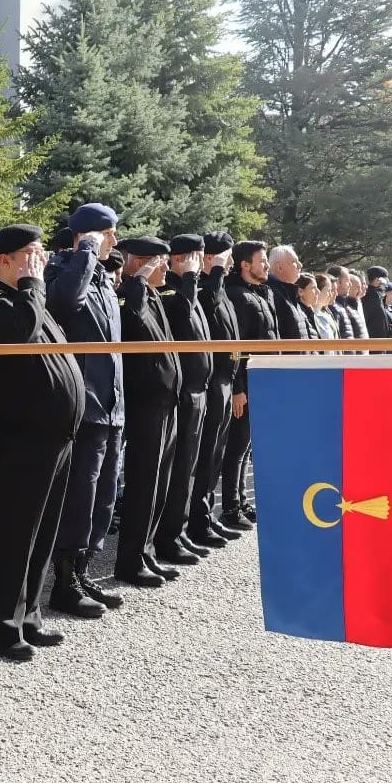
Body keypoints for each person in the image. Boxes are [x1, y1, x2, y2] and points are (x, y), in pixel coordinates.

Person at [0, 224, 85, 660]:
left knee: (41, 535)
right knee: (11, 537)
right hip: (15, 442)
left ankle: (29, 616)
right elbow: (20, 340)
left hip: (52, 438)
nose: (40, 262)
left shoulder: (30, 301)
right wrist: (33, 288)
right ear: (5, 261)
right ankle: (1, 627)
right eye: (31, 255)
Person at [45, 203, 125, 615]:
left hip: (112, 405)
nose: (114, 241)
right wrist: (86, 253)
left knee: (103, 497)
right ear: (89, 235)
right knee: (80, 497)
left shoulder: (103, 279)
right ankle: (63, 582)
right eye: (108, 234)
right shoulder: (62, 270)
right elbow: (63, 303)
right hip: (87, 406)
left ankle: (82, 571)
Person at [114, 236, 183, 587]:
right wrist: (139, 278)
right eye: (160, 262)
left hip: (165, 400)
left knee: (160, 483)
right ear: (142, 262)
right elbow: (134, 321)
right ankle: (130, 560)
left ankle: (146, 551)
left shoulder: (155, 294)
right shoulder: (129, 293)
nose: (167, 269)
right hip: (145, 403)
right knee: (144, 483)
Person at [151, 233, 216, 568]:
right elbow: (181, 315)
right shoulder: (169, 289)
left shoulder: (191, 287)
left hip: (199, 388)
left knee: (189, 468)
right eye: (197, 257)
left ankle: (180, 531)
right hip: (182, 391)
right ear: (180, 259)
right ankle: (167, 536)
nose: (202, 263)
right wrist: (188, 278)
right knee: (177, 471)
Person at [188, 232, 240, 549]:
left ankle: (206, 516)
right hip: (211, 381)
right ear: (209, 259)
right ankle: (197, 520)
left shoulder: (220, 288)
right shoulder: (206, 289)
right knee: (204, 456)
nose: (230, 264)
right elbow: (210, 302)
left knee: (216, 456)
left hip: (225, 378)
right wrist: (216, 271)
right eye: (225, 257)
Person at [222, 240, 278, 532]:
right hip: (247, 382)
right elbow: (237, 349)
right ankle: (230, 507)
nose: (266, 265)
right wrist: (238, 387)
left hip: (264, 381)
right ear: (245, 264)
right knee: (236, 447)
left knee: (246, 447)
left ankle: (241, 500)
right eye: (262, 260)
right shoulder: (237, 296)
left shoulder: (259, 293)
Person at [268, 245, 315, 344]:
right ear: (279, 268)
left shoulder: (290, 294)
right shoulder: (273, 296)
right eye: (294, 262)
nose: (300, 265)